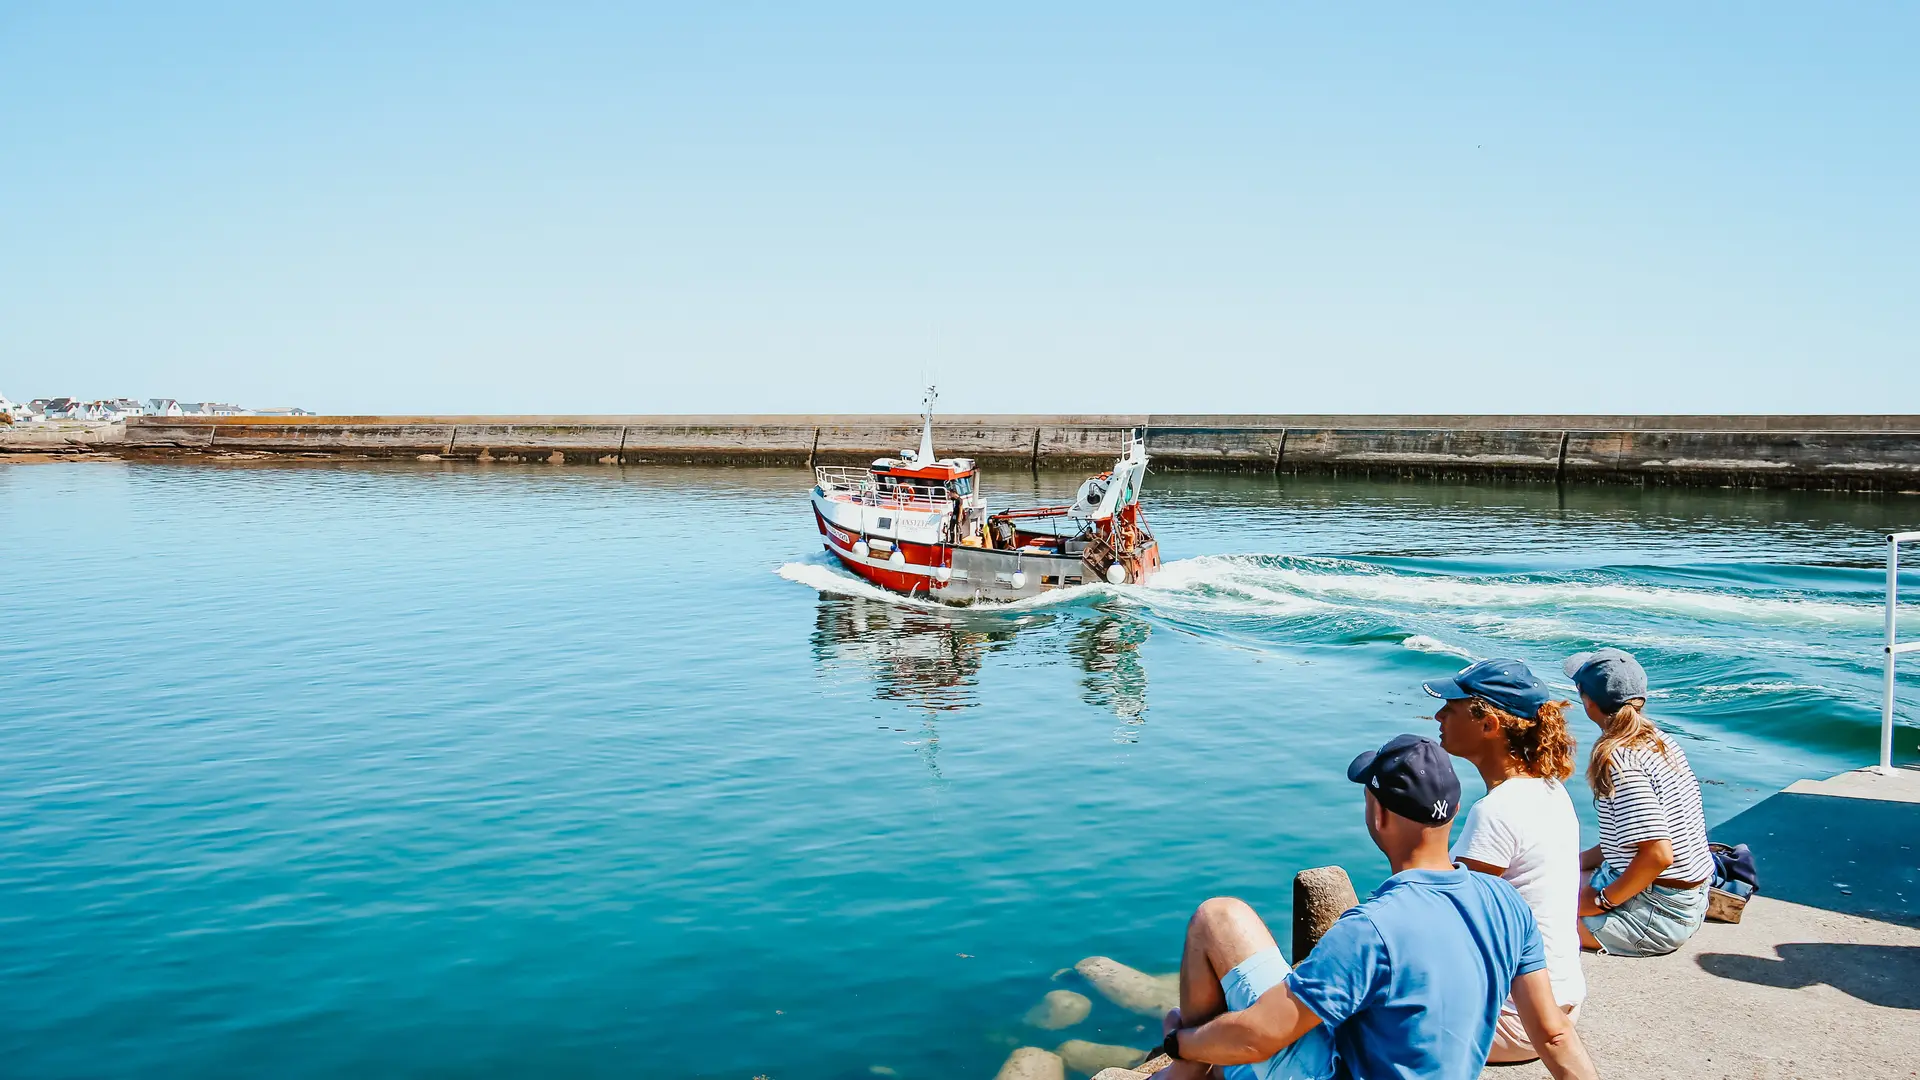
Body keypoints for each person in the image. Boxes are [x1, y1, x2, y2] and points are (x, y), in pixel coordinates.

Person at [1151, 734, 1597, 1080]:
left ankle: (1186, 1074)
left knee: (1220, 917)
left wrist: (1181, 1043)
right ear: (1454, 810)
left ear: (1378, 815)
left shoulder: (1371, 930)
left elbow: (1260, 1038)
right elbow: (1554, 1033)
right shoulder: (1505, 902)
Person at [1426, 658, 1587, 1064]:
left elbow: (1448, 924)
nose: (1439, 715)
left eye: (1452, 707)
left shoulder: (1496, 811)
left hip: (1511, 1022)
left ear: (1489, 725)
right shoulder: (1549, 790)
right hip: (1560, 1004)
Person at [1566, 648, 1713, 957]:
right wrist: (1575, 862)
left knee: (1535, 922)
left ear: (1588, 701)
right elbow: (1628, 840)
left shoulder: (1617, 758)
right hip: (1687, 899)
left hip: (1656, 914)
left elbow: (1658, 855)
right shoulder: (1658, 740)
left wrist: (1600, 901)